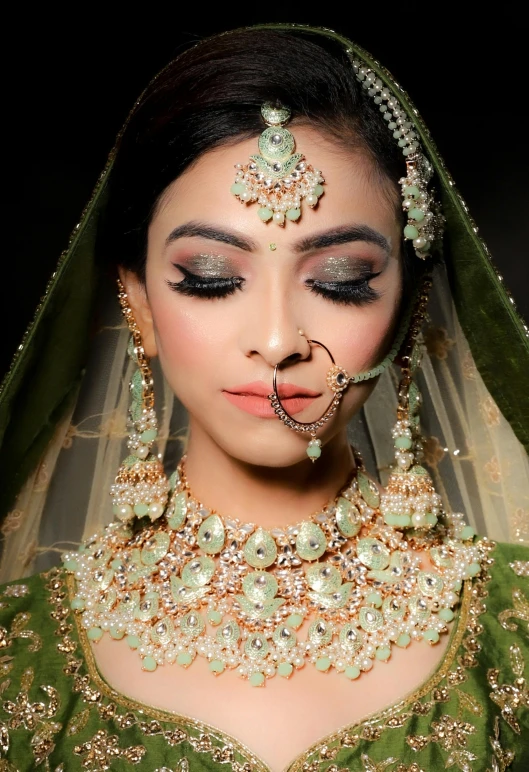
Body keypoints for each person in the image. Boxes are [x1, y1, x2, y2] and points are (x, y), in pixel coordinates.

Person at [0, 23, 527, 772]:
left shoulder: (513, 630)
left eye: (340, 280)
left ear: (408, 306)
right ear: (137, 298)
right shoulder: (18, 655)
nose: (279, 338)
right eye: (211, 277)